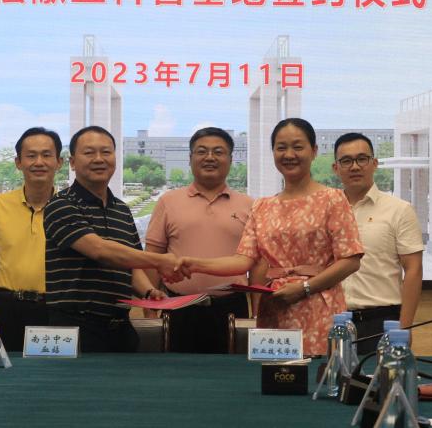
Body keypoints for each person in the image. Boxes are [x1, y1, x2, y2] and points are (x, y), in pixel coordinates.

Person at [178, 118, 364, 356]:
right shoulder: (262, 206)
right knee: (272, 373)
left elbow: (351, 260)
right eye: (281, 147)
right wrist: (194, 264)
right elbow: (243, 260)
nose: (289, 155)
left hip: (319, 304)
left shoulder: (333, 199)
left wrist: (304, 288)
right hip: (275, 307)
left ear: (314, 151)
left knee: (317, 372)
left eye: (298, 147)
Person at [42, 125, 182, 352]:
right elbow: (100, 250)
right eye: (89, 152)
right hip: (75, 329)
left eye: (106, 152)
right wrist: (160, 260)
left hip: (120, 327)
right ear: (72, 162)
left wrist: (148, 292)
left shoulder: (122, 210)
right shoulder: (61, 204)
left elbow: (131, 266)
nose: (99, 159)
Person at [143, 127, 254, 353]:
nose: (210, 157)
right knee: (177, 371)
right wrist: (149, 307)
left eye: (218, 152)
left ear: (231, 159)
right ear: (190, 158)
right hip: (178, 308)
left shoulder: (249, 205)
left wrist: (258, 311)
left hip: (231, 307)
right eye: (202, 151)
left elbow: (257, 262)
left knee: (231, 371)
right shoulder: (168, 202)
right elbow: (152, 257)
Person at [333, 132, 423, 354]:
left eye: (362, 159)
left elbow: (413, 269)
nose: (355, 166)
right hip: (334, 322)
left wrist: (404, 328)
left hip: (381, 322)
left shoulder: (399, 210)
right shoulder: (328, 210)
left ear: (374, 163)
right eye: (346, 161)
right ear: (336, 168)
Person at [0, 127, 62, 352]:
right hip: (8, 308)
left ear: (59, 162)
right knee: (4, 370)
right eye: (31, 156)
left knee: (55, 370)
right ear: (18, 162)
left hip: (56, 310)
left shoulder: (69, 208)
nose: (39, 162)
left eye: (46, 155)